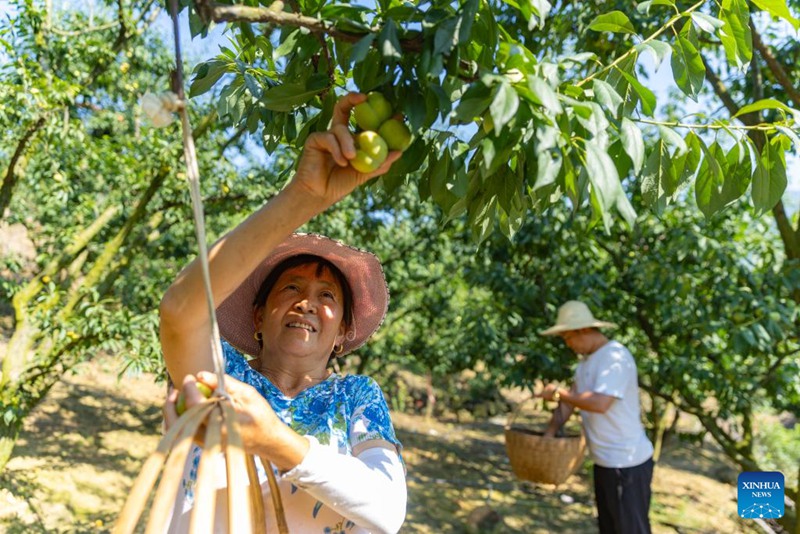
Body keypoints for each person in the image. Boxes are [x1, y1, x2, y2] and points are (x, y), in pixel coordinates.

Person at [160, 92, 407, 533]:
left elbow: (386, 509)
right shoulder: (224, 372)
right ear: (258, 316)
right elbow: (180, 311)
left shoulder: (355, 399)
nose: (307, 302)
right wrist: (303, 195)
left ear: (342, 333)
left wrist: (277, 443)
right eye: (290, 287)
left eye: (327, 297)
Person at [537, 300, 654, 534]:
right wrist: (549, 434)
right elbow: (570, 403)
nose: (568, 344)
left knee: (629, 528)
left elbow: (600, 403)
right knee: (610, 527)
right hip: (604, 461)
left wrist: (560, 394)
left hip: (626, 462)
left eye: (568, 338)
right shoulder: (584, 364)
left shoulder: (614, 357)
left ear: (583, 330)